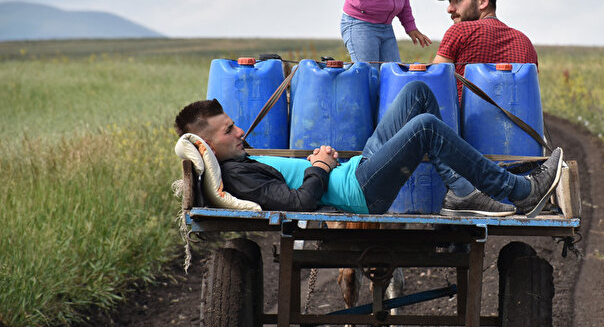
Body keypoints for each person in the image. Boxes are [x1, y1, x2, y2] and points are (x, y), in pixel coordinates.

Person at [174, 81, 563, 218]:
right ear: (207, 146)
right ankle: (522, 192)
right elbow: (299, 203)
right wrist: (321, 167)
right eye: (228, 130)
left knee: (417, 94)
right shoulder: (240, 176)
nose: (240, 131)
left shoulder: (239, 158)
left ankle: (462, 193)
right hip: (359, 190)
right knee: (425, 127)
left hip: (358, 167)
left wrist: (322, 164)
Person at [431, 0, 538, 100]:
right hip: (515, 119)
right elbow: (531, 96)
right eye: (450, 1)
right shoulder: (525, 42)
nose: (449, 9)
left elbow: (434, 84)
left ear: (483, 1)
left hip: (465, 119)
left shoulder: (460, 30)